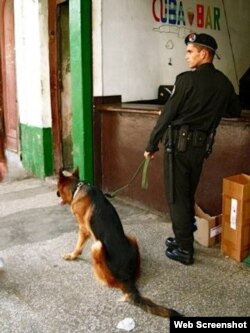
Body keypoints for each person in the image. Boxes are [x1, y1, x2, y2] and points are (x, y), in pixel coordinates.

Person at [144, 33, 241, 265]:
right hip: (198, 150)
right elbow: (234, 111)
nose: (186, 56)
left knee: (177, 197)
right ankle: (181, 237)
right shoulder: (224, 84)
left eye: (190, 51)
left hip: (177, 147)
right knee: (187, 194)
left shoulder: (186, 80)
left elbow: (167, 114)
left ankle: (184, 249)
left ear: (204, 54)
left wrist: (151, 144)